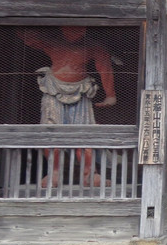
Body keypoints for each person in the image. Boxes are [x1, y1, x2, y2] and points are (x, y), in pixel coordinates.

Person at [19, 26, 116, 187]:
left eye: (78, 29)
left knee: (85, 133)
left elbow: (104, 66)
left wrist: (110, 94)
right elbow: (28, 37)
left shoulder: (93, 46)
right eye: (69, 28)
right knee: (51, 131)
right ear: (62, 28)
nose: (74, 32)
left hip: (81, 90)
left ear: (85, 29)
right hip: (53, 89)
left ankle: (89, 174)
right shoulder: (52, 43)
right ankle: (54, 172)